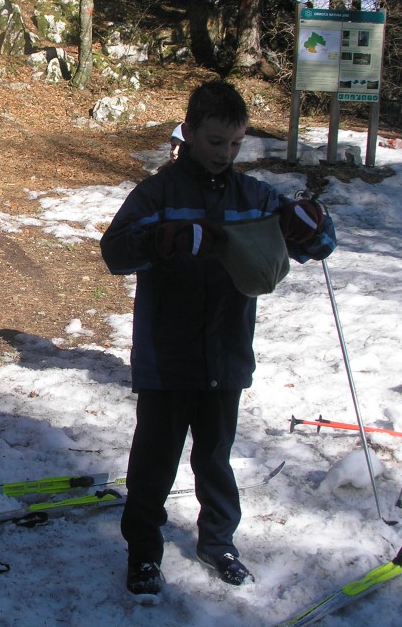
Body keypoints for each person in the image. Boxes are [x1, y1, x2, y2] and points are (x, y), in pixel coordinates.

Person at [99, 80, 336, 604]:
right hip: (167, 353)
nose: (225, 154)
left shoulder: (252, 197)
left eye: (235, 144)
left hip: (226, 351)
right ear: (189, 133)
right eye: (214, 142)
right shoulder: (158, 194)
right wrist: (163, 242)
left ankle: (218, 543)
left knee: (215, 456)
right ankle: (143, 551)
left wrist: (312, 225)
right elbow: (115, 252)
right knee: (155, 459)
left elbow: (315, 244)